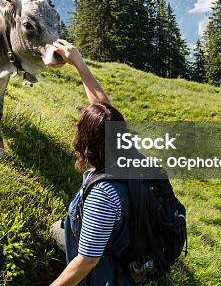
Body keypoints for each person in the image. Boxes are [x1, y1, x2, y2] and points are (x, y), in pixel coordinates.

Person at [49, 39, 131, 286]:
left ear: (87, 143)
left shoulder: (103, 195)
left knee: (62, 237)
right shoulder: (127, 151)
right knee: (57, 229)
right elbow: (103, 106)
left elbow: (87, 261)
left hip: (105, 274)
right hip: (124, 245)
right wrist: (78, 63)